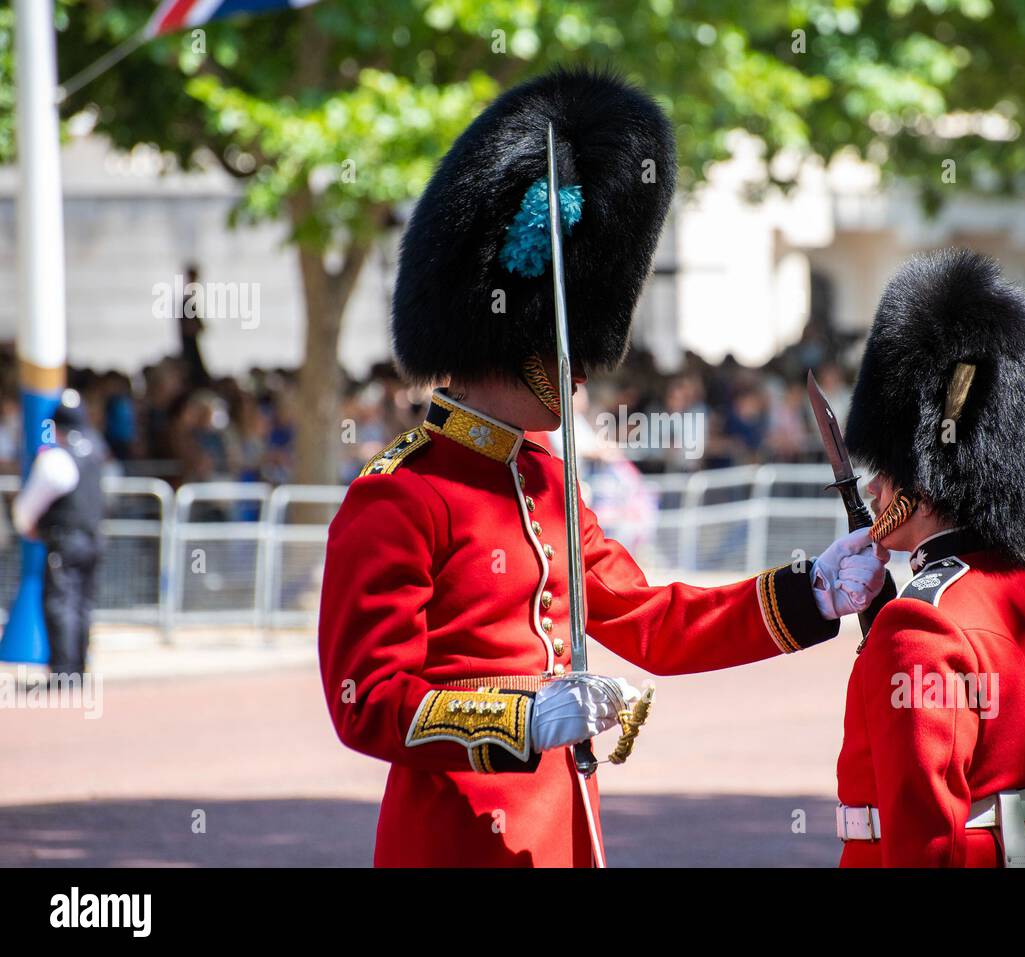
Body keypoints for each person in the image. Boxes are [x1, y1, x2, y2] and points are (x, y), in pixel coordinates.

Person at [316, 68, 885, 868]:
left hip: (566, 830)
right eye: (571, 352)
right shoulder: (399, 495)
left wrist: (811, 589)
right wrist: (520, 720)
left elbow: (651, 619)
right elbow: (365, 701)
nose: (582, 374)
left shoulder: (546, 480)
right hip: (454, 839)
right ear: (509, 346)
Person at [834, 248, 1025, 867]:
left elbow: (925, 828)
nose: (874, 489)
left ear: (924, 481)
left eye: (887, 471)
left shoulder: (918, 625)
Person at [10, 390, 107, 677]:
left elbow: (29, 506)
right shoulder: (96, 450)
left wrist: (24, 522)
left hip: (65, 540)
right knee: (83, 604)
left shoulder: (57, 457)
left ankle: (65, 671)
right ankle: (78, 667)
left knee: (61, 603)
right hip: (93, 537)